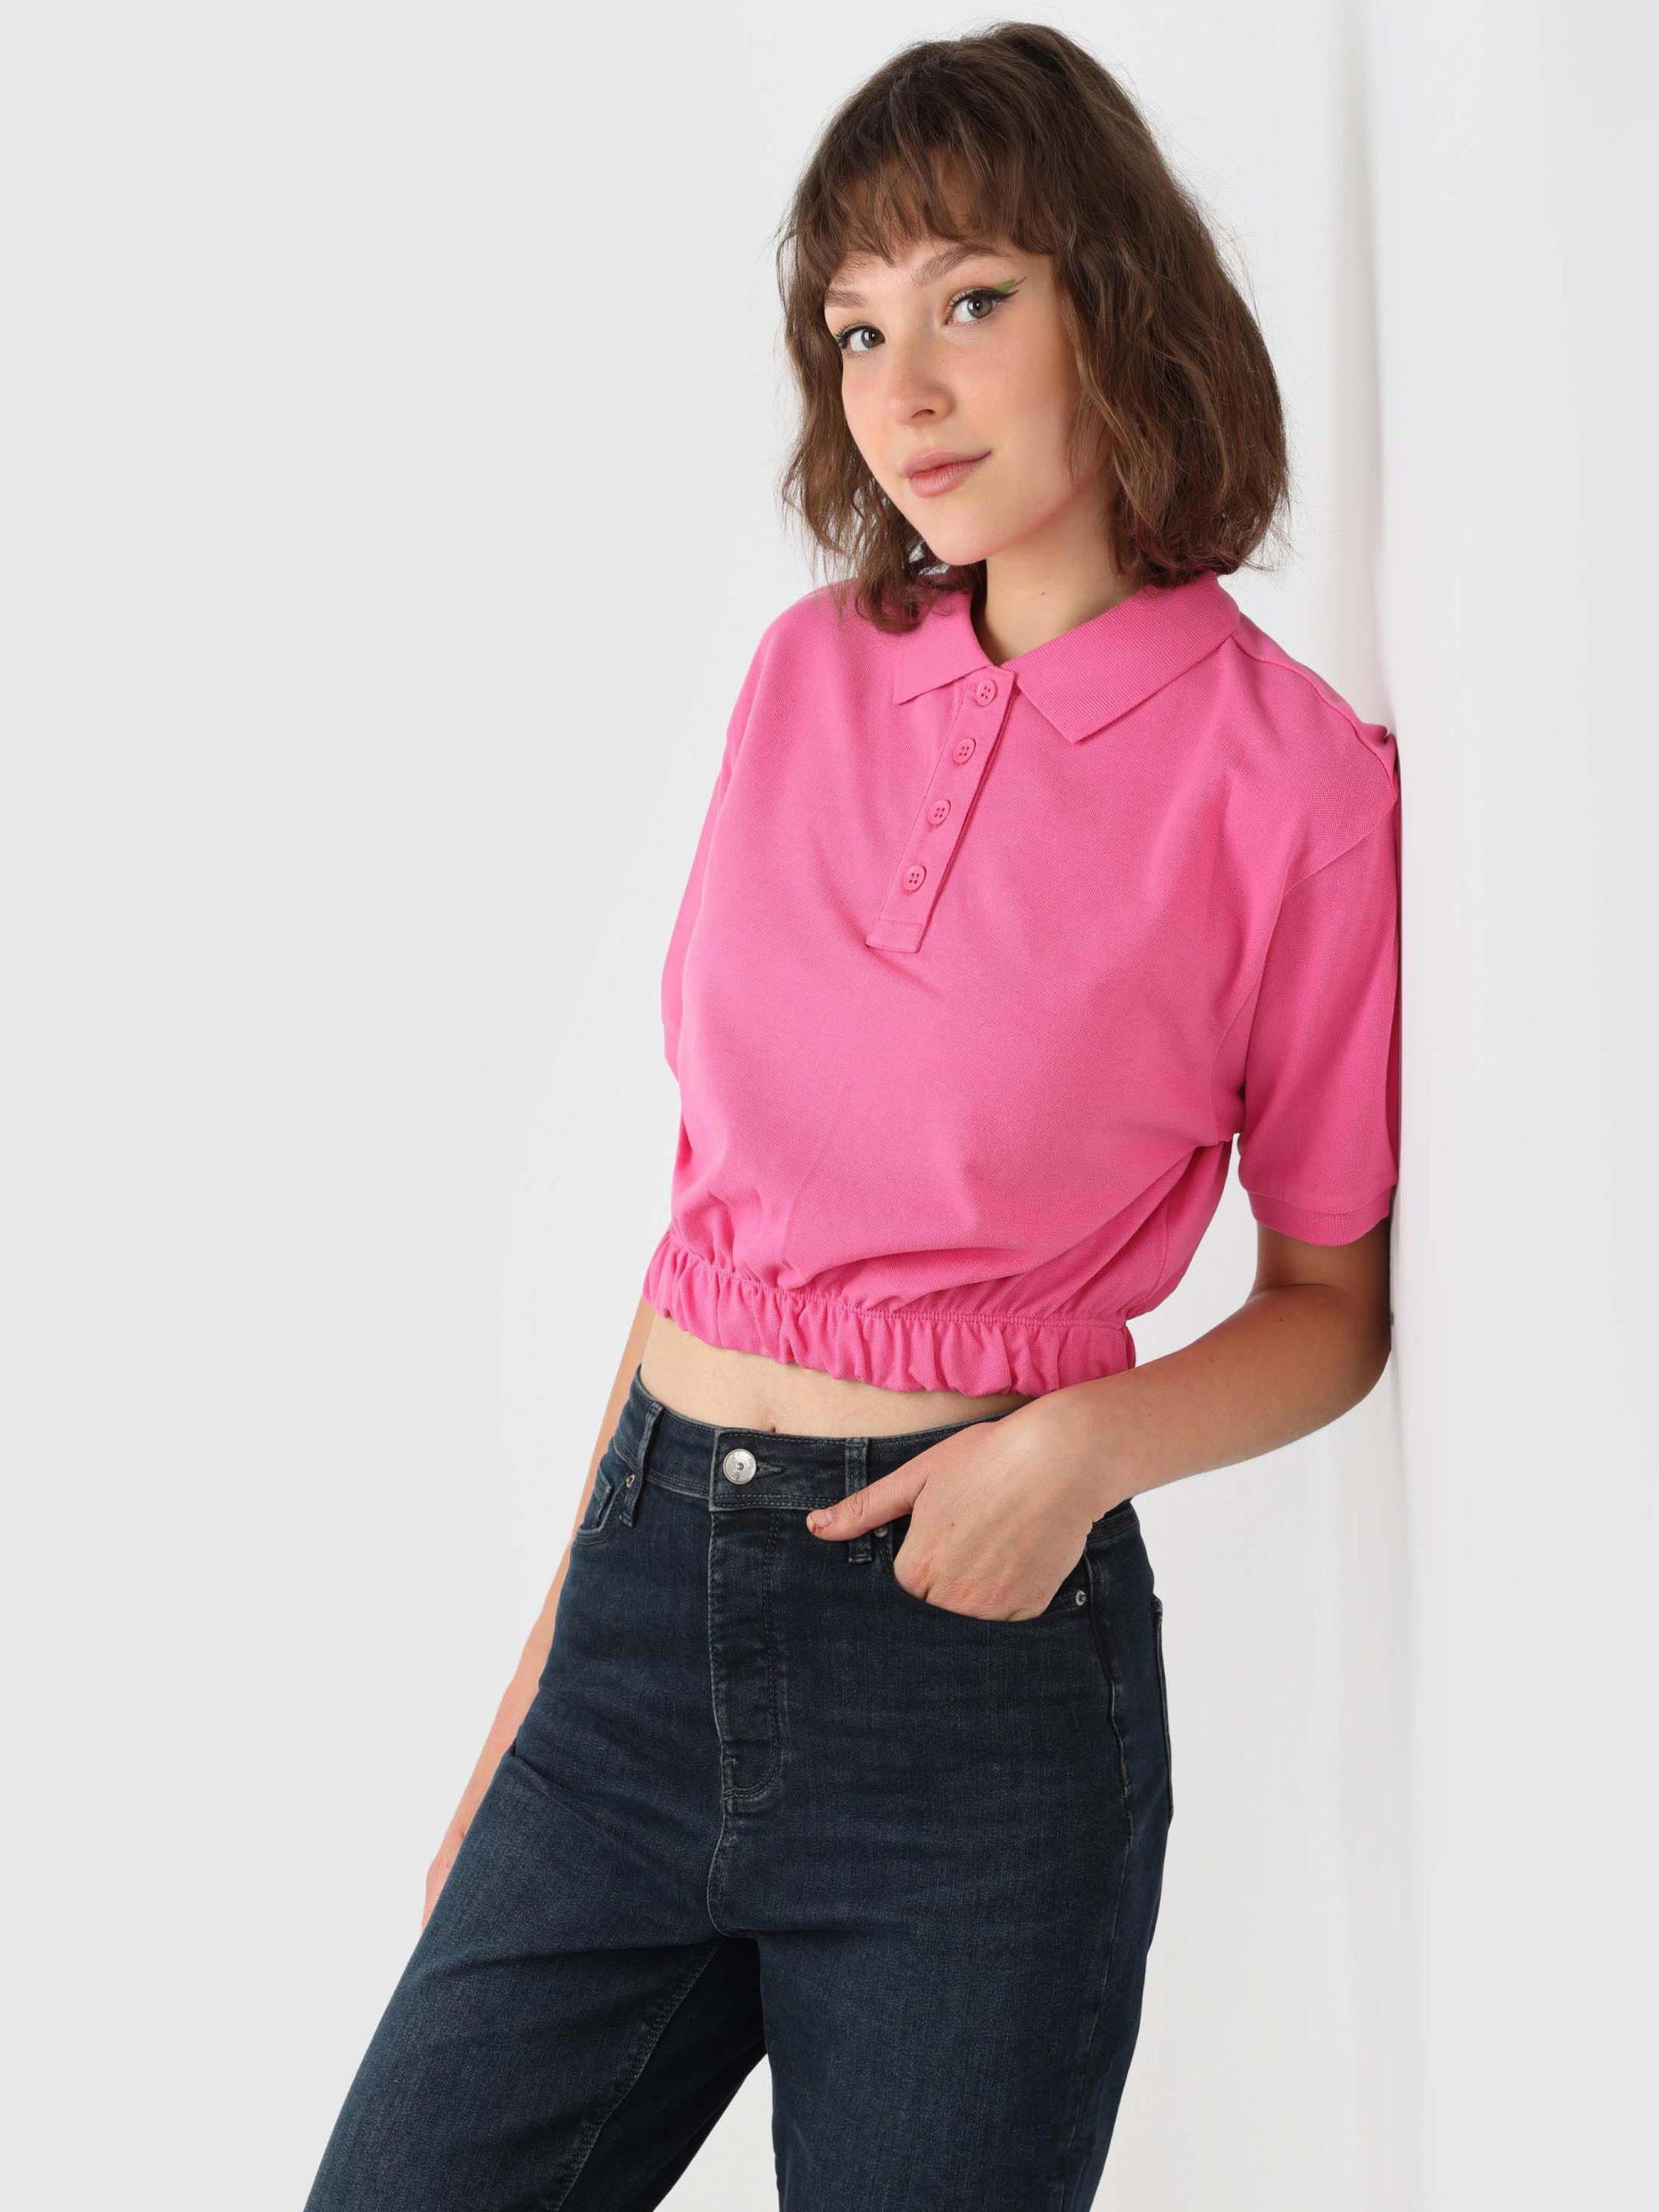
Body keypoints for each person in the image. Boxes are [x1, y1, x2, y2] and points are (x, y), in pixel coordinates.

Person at [301, 23, 1400, 2210]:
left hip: (968, 1686)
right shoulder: (805, 674)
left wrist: (1074, 1452)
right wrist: (538, 1693)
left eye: (971, 298)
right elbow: (706, 1219)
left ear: (1115, 297)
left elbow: (1327, 1302)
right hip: (638, 1624)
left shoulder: (1288, 785)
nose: (904, 390)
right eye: (856, 326)